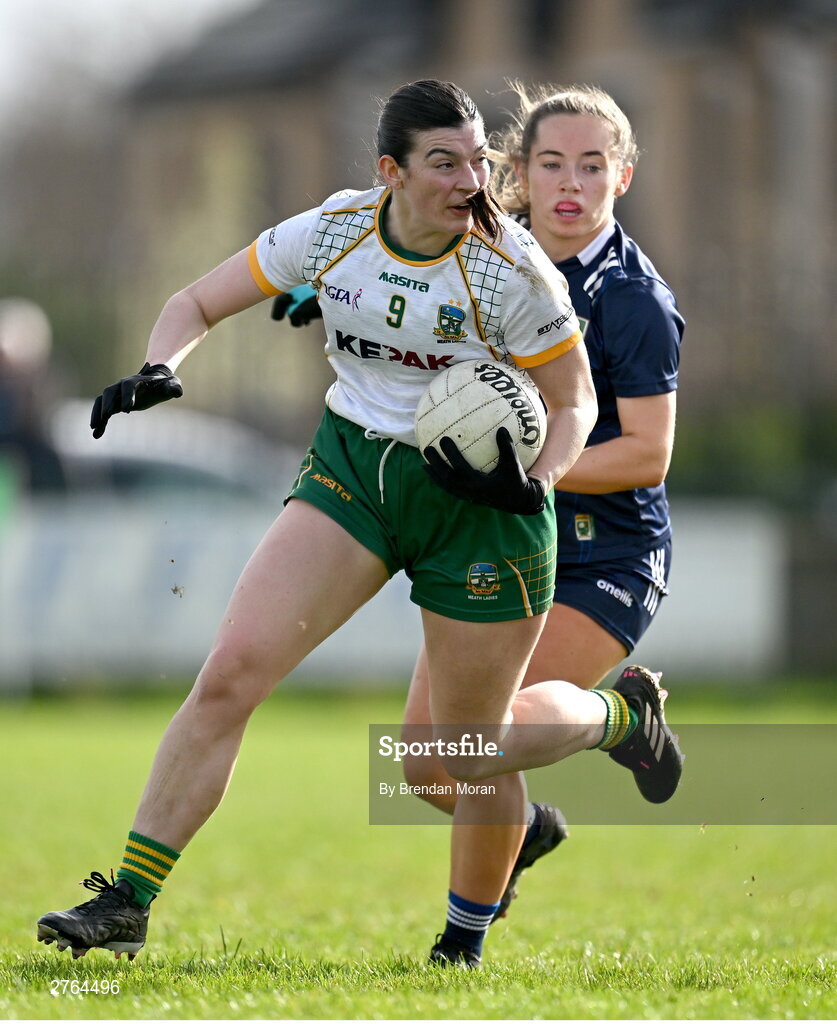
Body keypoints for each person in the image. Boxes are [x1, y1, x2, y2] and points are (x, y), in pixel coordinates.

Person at [35, 79, 680, 970]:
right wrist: (157, 364)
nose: (471, 182)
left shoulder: (511, 266)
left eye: (479, 164)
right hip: (356, 472)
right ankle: (128, 901)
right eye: (445, 164)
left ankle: (606, 730)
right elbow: (196, 301)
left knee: (459, 755)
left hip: (482, 511)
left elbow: (572, 403)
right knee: (229, 676)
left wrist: (535, 478)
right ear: (391, 171)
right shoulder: (336, 230)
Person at [395, 82, 686, 942]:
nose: (571, 183)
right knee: (426, 764)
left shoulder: (632, 300)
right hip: (509, 533)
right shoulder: (487, 258)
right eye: (551, 163)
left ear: (621, 176)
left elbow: (646, 453)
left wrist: (535, 474)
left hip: (606, 556)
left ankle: (622, 720)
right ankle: (520, 835)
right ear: (516, 170)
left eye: (592, 166)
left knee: (475, 742)